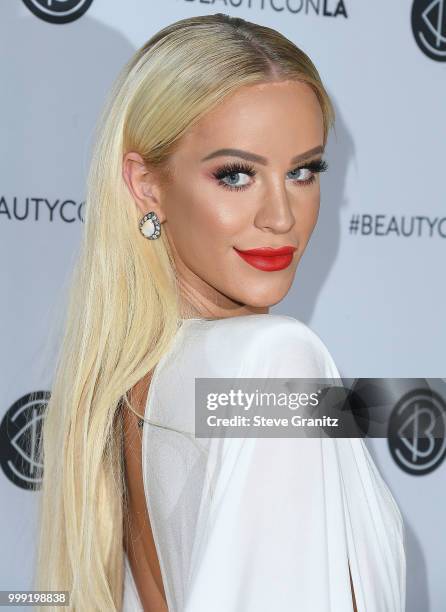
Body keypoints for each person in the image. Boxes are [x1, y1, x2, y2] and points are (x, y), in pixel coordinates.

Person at [34, 13, 406, 612]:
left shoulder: (129, 385)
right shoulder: (274, 359)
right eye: (236, 175)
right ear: (146, 185)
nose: (281, 217)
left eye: (303, 171)